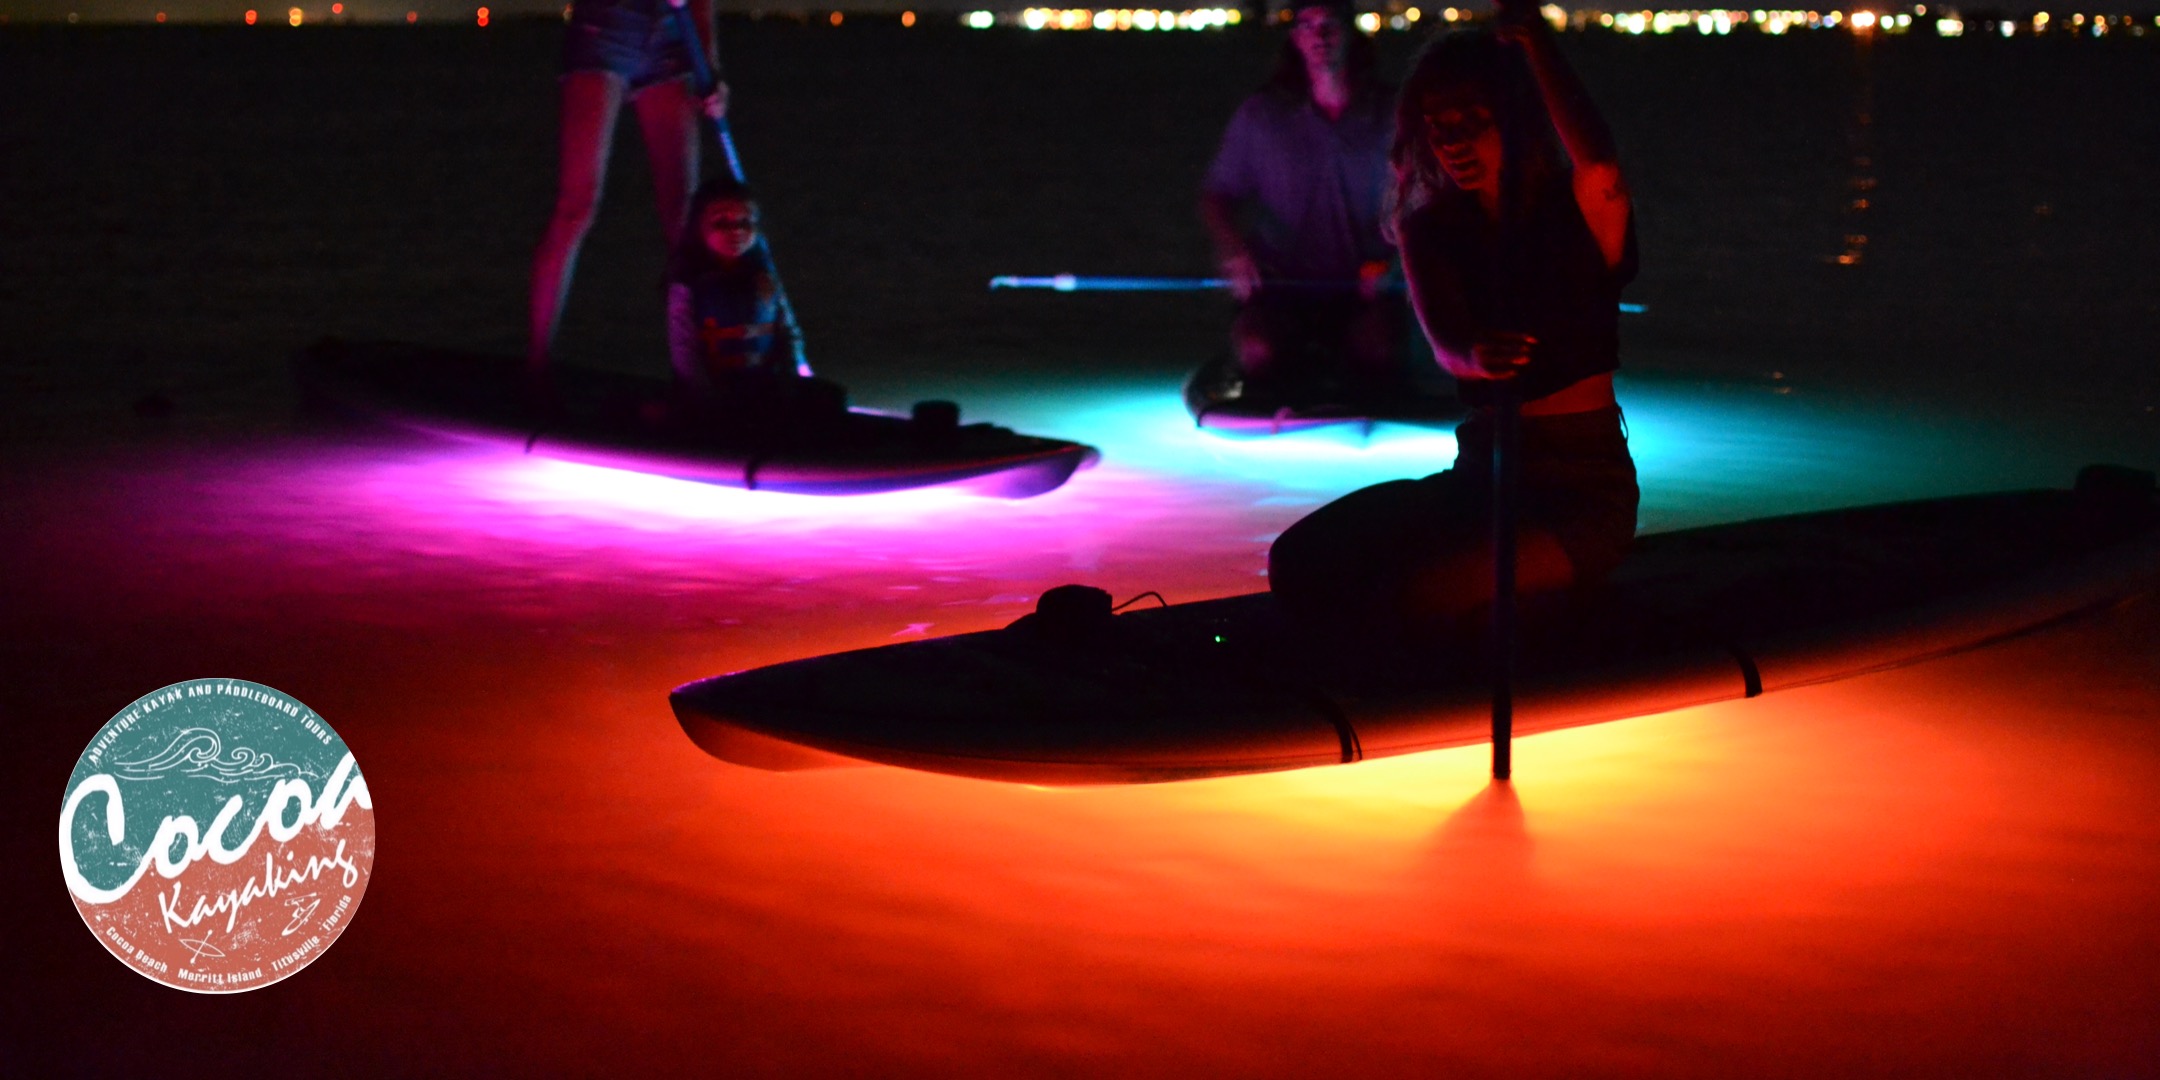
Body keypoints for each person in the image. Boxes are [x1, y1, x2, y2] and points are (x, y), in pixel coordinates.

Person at [1268, 7, 1640, 642]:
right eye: (1440, 128)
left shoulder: (1575, 215)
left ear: (1515, 117)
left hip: (1580, 493)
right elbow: (1447, 345)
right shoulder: (1429, 229)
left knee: (1414, 599)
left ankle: (1542, 615)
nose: (1454, 142)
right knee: (1298, 559)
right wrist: (1476, 353)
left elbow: (1600, 165)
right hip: (1481, 477)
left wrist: (1538, 46)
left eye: (1474, 121)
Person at [1199, 0, 1400, 394]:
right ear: (1294, 37)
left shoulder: (1390, 113)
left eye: (1330, 24)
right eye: (1307, 25)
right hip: (1280, 287)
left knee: (1378, 351)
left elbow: (1421, 201)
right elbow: (1217, 194)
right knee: (1258, 350)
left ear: (1350, 31)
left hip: (1363, 287)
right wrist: (1234, 251)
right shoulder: (1262, 115)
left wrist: (1394, 263)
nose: (1320, 36)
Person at [529, 0, 727, 382]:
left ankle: (693, 374)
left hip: (671, 35)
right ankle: (536, 366)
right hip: (604, 29)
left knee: (682, 217)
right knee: (576, 206)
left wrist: (711, 68)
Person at [665, 177, 803, 401]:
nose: (736, 231)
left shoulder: (765, 279)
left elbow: (788, 333)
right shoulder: (687, 285)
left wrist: (790, 385)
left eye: (745, 223)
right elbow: (684, 348)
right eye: (721, 223)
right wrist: (707, 399)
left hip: (765, 392)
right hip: (710, 398)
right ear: (699, 226)